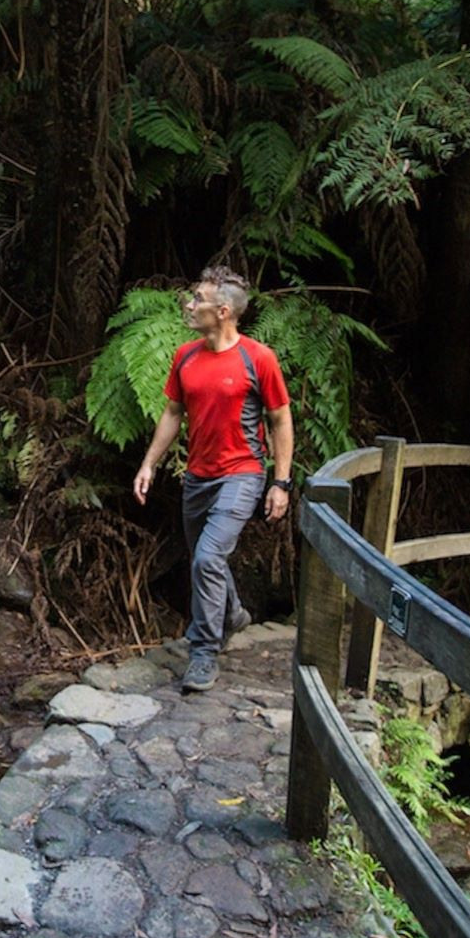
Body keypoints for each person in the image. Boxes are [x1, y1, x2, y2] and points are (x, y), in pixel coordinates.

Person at [132, 267, 295, 692]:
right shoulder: (185, 355)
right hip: (197, 478)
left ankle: (204, 652)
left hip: (242, 474)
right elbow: (172, 413)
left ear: (223, 311)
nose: (189, 305)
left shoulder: (258, 359)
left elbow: (280, 420)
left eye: (198, 299)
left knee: (207, 558)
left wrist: (281, 482)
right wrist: (150, 463)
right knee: (206, 560)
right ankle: (232, 613)